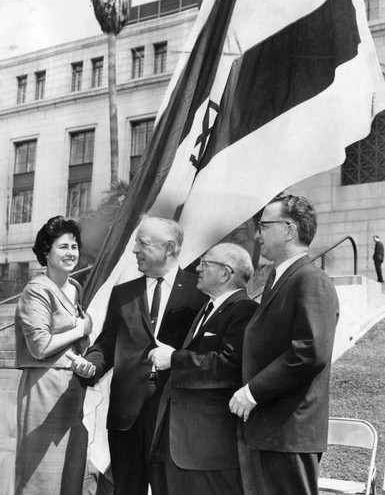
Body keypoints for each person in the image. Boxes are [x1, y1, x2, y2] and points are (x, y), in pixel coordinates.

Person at [72, 216, 207, 495]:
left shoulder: (200, 292)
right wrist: (91, 365)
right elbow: (106, 344)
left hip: (174, 417)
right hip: (126, 418)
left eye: (143, 243)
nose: (134, 250)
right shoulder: (123, 293)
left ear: (169, 248)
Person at [229, 193, 339, 495]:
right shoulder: (280, 279)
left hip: (289, 434)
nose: (257, 234)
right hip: (270, 432)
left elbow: (310, 351)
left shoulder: (311, 280)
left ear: (290, 230)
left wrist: (253, 391)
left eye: (264, 225)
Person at [148, 242, 257, 495]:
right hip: (180, 444)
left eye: (206, 263)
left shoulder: (245, 310)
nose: (198, 267)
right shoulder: (207, 308)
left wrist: (174, 359)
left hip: (208, 451)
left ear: (225, 273)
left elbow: (229, 366)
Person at [14, 215, 93, 495]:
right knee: (41, 471)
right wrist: (80, 328)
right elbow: (40, 346)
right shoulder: (36, 290)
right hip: (44, 387)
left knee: (71, 469)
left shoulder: (76, 287)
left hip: (74, 387)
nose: (71, 253)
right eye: (63, 247)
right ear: (46, 252)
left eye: (74, 246)